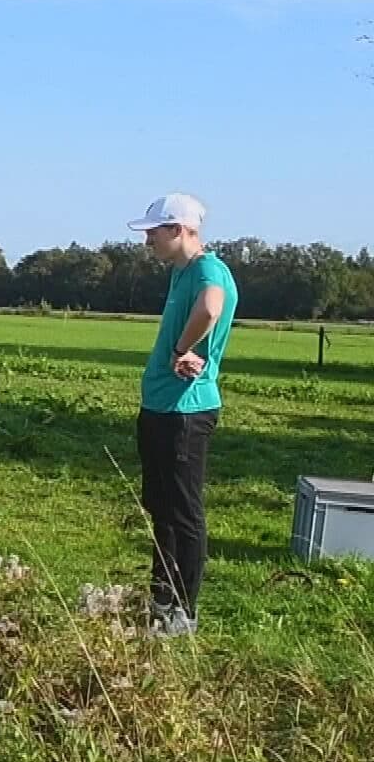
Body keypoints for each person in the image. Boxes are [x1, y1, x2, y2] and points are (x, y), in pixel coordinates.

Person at [130, 192, 237, 637]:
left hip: (185, 414)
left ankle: (183, 614)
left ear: (180, 230)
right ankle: (161, 596)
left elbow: (212, 306)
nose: (148, 240)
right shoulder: (180, 273)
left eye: (154, 232)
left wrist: (182, 350)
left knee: (184, 513)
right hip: (159, 407)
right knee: (160, 506)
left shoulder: (209, 271)